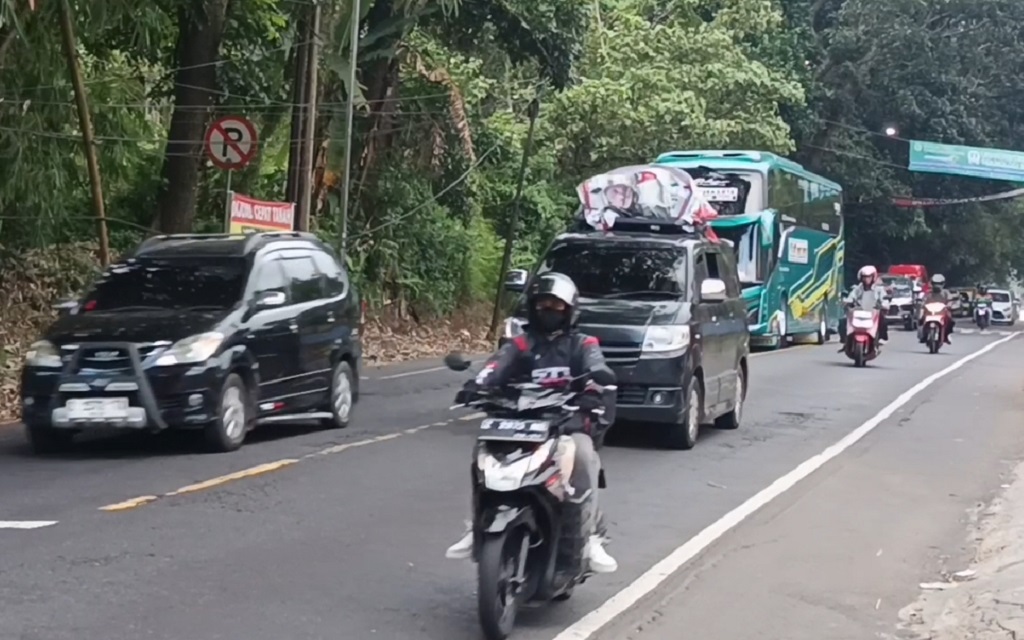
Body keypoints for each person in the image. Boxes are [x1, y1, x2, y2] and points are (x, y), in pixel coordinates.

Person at [445, 272, 618, 574]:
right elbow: (495, 366)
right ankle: (477, 526)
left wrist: (593, 391)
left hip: (566, 422)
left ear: (570, 309)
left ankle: (590, 537)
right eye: (542, 304)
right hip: (519, 420)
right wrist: (477, 385)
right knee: (483, 452)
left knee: (581, 452)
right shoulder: (522, 344)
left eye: (556, 305)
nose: (548, 310)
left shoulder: (582, 344)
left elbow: (596, 367)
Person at [837, 265, 889, 346]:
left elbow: (884, 299)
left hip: (873, 312)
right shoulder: (858, 289)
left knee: (883, 320)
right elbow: (851, 297)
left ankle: (882, 338)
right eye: (864, 277)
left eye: (868, 277)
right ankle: (845, 339)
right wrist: (846, 302)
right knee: (843, 320)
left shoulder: (879, 289)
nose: (866, 279)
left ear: (873, 277)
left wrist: (883, 305)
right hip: (859, 311)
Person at [918, 273, 954, 344]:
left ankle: (946, 335)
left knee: (950, 320)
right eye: (935, 283)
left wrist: (950, 305)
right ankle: (923, 335)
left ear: (943, 284)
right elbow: (923, 301)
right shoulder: (928, 293)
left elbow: (950, 300)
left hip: (942, 312)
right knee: (920, 318)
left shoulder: (946, 293)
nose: (937, 285)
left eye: (939, 283)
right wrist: (922, 305)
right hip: (930, 312)